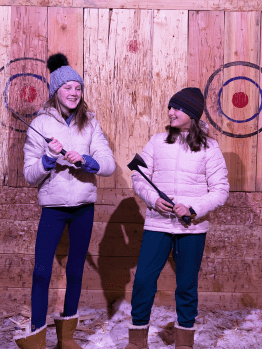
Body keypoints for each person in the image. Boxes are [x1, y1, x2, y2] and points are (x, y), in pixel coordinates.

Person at [16, 53, 116, 349]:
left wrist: (85, 160)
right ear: (55, 91)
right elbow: (29, 175)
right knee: (41, 272)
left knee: (74, 270)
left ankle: (67, 337)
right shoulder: (41, 125)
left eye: (78, 88)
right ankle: (37, 336)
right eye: (67, 88)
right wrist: (48, 160)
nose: (74, 93)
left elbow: (108, 165)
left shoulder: (91, 123)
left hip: (83, 207)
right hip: (54, 209)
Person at [126, 87, 230, 349]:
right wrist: (152, 199)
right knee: (143, 282)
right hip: (157, 225)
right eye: (170, 107)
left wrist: (192, 208)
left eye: (178, 108)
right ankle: (137, 342)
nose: (171, 112)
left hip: (192, 230)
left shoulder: (209, 147)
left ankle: (184, 342)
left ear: (192, 114)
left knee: (186, 286)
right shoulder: (157, 141)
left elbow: (220, 190)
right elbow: (138, 176)